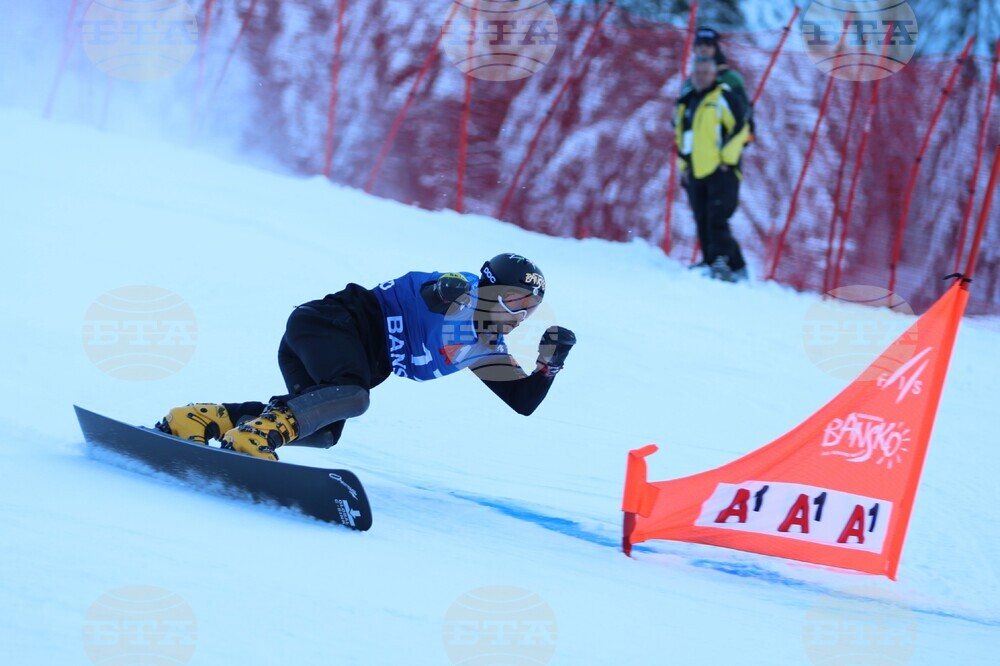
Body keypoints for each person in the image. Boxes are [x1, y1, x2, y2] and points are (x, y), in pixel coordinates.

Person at [156, 254, 577, 461]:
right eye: (514, 300)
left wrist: (549, 365)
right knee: (354, 397)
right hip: (328, 325)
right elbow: (439, 292)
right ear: (488, 289)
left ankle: (200, 419)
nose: (520, 315)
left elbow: (522, 402)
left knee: (325, 431)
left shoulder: (485, 348)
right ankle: (252, 439)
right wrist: (449, 291)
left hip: (328, 349)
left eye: (531, 308)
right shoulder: (463, 293)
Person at [676, 55, 750, 282]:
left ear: (714, 75)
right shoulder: (687, 101)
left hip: (722, 170)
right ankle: (725, 264)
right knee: (702, 217)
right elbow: (682, 136)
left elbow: (741, 129)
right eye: (697, 73)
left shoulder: (723, 97)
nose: (701, 77)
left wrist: (727, 159)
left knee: (717, 218)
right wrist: (684, 165)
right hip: (695, 170)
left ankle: (720, 262)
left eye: (705, 73)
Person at [681, 26, 754, 144]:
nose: (703, 48)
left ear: (716, 48)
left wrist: (735, 146)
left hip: (722, 147)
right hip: (693, 147)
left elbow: (744, 116)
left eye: (708, 44)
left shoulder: (730, 78)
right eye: (699, 44)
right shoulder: (690, 82)